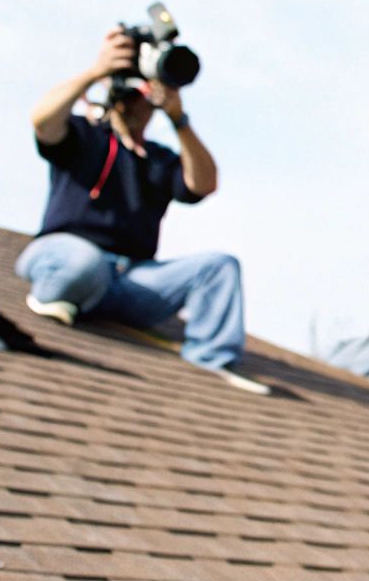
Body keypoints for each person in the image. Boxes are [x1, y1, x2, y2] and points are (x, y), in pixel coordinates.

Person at [21, 27, 268, 394]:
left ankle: (211, 361)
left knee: (219, 266)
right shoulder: (84, 134)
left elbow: (204, 184)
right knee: (83, 263)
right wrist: (97, 72)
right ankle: (53, 293)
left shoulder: (161, 160)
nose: (139, 104)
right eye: (134, 94)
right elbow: (42, 120)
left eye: (145, 97)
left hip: (132, 279)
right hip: (64, 254)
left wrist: (178, 118)